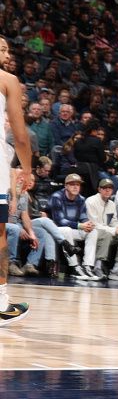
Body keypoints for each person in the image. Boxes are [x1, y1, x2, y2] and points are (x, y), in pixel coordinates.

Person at [0, 35, 31, 325]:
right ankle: (0, 304)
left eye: (8, 48)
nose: (5, 52)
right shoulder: (8, 79)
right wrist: (28, 168)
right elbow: (20, 135)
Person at [49, 173, 108, 281]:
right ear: (66, 186)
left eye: (78, 185)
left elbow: (83, 217)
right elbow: (59, 221)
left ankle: (87, 266)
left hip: (73, 229)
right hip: (56, 230)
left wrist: (88, 224)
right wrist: (80, 225)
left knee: (93, 231)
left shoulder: (81, 199)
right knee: (66, 230)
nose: (76, 187)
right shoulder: (56, 197)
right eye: (72, 184)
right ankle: (74, 266)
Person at [85, 178, 118, 282]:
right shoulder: (91, 201)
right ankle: (97, 267)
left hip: (107, 232)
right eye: (104, 188)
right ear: (99, 189)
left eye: (110, 188)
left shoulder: (112, 204)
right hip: (93, 232)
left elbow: (114, 222)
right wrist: (113, 230)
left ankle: (116, 269)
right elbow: (93, 224)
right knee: (106, 233)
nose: (107, 190)